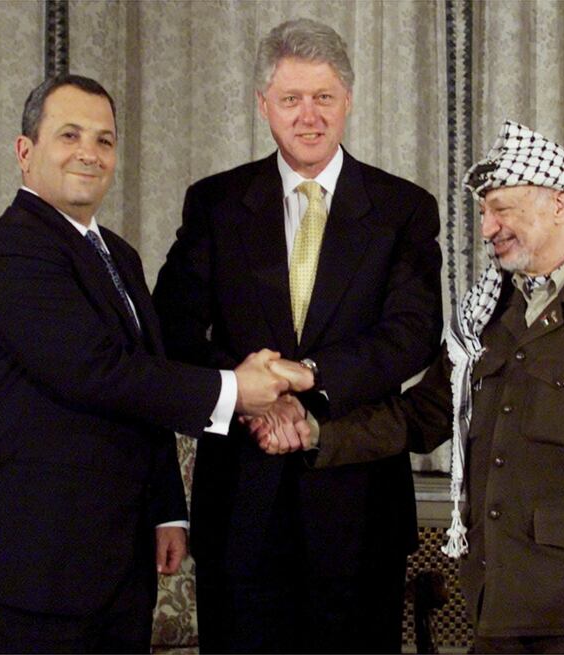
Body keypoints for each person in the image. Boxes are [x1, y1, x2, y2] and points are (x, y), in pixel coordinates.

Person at [253, 121, 564, 654]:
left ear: (559, 204)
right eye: (484, 212)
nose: (488, 227)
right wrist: (314, 433)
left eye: (502, 209)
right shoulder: (487, 314)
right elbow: (423, 415)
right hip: (498, 606)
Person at [0, 74, 303, 654]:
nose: (89, 153)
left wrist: (168, 508)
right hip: (33, 573)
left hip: (118, 564)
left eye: (104, 140)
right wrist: (235, 390)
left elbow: (145, 380)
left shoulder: (116, 253)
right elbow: (97, 372)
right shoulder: (11, 248)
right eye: (69, 135)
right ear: (25, 151)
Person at [152, 18, 443, 654]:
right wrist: (250, 394)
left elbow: (414, 332)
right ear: (263, 105)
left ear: (349, 100)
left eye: (323, 98)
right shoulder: (216, 203)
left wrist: (308, 375)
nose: (308, 116)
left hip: (360, 508)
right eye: (291, 99)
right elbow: (169, 326)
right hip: (241, 505)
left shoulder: (404, 209)